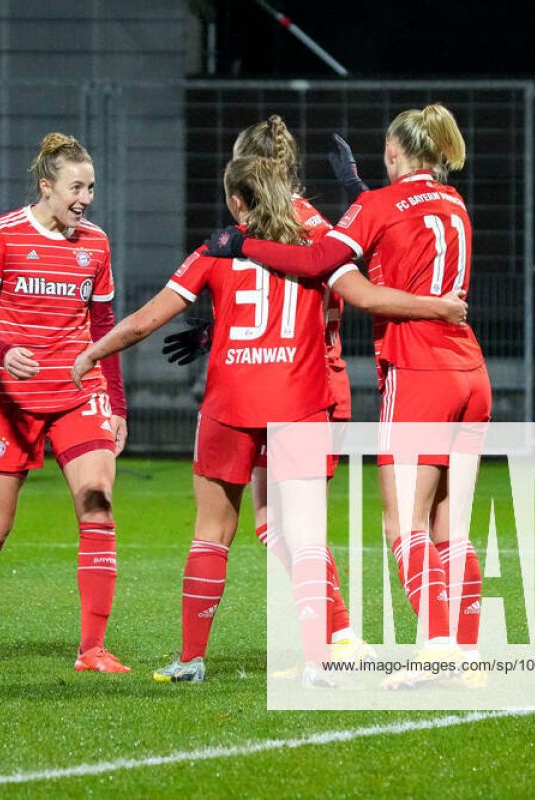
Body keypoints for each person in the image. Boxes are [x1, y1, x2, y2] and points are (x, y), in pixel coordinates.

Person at [73, 154, 463, 684]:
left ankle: (191, 659)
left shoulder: (216, 249)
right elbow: (364, 292)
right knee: (305, 537)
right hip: (300, 403)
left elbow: (145, 321)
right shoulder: (319, 247)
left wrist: (92, 353)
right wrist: (435, 305)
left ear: (237, 201)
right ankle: (320, 661)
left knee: (211, 533)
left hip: (229, 405)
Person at [204, 103, 491, 687]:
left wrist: (241, 247)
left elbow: (321, 261)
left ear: (392, 151)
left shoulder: (368, 207)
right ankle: (463, 655)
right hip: (471, 371)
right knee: (450, 528)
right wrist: (358, 191)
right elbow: (400, 233)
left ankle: (432, 649)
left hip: (417, 370)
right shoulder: (453, 201)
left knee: (403, 527)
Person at [163, 116, 381, 664]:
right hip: (298, 377)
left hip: (306, 382)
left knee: (289, 525)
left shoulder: (276, 230)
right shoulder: (313, 224)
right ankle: (336, 633)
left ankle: (337, 636)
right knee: (276, 523)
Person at [0, 132, 131, 673]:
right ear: (46, 186)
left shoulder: (96, 244)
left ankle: (92, 649)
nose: (85, 199)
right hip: (11, 397)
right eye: (76, 187)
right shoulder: (3, 234)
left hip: (78, 392)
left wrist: (116, 404)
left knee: (98, 506)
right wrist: (4, 351)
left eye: (91, 188)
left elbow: (104, 329)